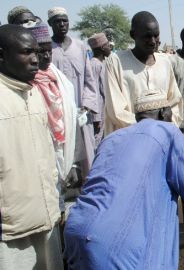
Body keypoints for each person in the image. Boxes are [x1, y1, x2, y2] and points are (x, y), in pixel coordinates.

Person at [64, 92, 184, 269]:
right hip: (116, 242)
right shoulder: (168, 130)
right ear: (164, 112)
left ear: (136, 117)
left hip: (76, 231)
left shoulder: (110, 138)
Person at [0, 24, 62, 270]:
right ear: (2, 55)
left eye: (37, 52)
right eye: (27, 52)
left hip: (46, 217)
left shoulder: (34, 93)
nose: (36, 59)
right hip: (11, 229)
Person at [26, 21, 78, 215]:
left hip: (60, 153)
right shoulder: (26, 84)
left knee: (59, 207)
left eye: (49, 51)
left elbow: (70, 122)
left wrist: (71, 162)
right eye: (40, 52)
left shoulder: (59, 79)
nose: (46, 56)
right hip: (38, 160)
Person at [104, 11, 183, 135]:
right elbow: (116, 111)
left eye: (156, 36)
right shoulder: (115, 62)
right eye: (147, 36)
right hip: (130, 138)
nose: (152, 41)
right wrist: (148, 125)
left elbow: (175, 101)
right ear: (133, 35)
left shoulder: (165, 62)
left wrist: (168, 121)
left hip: (162, 136)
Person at [48, 7, 98, 196]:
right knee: (62, 156)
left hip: (81, 112)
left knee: (87, 155)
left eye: (65, 21)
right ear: (50, 24)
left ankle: (89, 193)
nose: (62, 25)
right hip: (58, 114)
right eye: (57, 21)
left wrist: (86, 105)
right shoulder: (48, 49)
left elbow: (89, 79)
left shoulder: (81, 47)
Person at [87, 32, 112, 146]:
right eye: (107, 45)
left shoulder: (100, 64)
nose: (110, 48)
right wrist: (96, 117)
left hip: (102, 111)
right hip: (98, 113)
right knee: (97, 142)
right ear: (102, 47)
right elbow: (95, 91)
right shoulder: (96, 65)